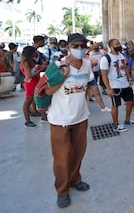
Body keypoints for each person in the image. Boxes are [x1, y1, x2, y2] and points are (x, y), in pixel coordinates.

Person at [45, 33, 94, 208]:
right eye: (76, 46)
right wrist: (63, 76)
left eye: (82, 46)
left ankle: (75, 179)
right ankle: (62, 191)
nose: (79, 49)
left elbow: (88, 85)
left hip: (80, 118)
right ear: (68, 47)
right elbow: (48, 92)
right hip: (60, 120)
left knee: (78, 153)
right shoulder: (58, 65)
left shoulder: (87, 64)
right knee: (62, 158)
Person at [100, 38, 134, 132]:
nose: (119, 46)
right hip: (114, 86)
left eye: (119, 44)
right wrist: (108, 88)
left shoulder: (121, 55)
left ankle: (127, 120)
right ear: (111, 47)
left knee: (130, 101)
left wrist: (129, 78)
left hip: (125, 84)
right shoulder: (106, 59)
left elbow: (126, 67)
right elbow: (104, 75)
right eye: (117, 44)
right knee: (115, 105)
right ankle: (115, 125)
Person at [20, 46, 47, 127]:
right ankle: (27, 121)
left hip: (35, 82)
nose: (36, 53)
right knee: (28, 101)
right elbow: (29, 75)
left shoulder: (31, 61)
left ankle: (43, 116)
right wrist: (40, 70)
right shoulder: (26, 62)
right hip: (30, 83)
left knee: (37, 99)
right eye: (35, 52)